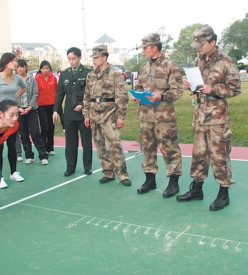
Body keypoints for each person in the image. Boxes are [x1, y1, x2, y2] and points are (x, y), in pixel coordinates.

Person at [176, 25, 241, 211]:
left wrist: (214, 89)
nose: (198, 46)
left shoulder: (226, 62)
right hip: (200, 113)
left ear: (213, 42)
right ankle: (197, 189)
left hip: (218, 115)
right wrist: (191, 85)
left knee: (219, 154)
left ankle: (224, 193)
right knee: (199, 153)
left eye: (201, 43)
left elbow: (235, 88)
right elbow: (197, 84)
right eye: (197, 43)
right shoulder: (198, 60)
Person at [132, 33, 183, 197]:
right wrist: (137, 95)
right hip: (146, 115)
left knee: (170, 149)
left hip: (164, 117)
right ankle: (150, 180)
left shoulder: (171, 66)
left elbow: (177, 91)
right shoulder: (144, 67)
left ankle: (173, 183)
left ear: (154, 47)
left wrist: (161, 96)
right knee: (147, 149)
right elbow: (140, 86)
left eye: (145, 47)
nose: (143, 50)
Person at [83, 45, 131, 186]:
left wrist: (120, 116)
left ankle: (122, 174)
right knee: (100, 145)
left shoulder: (115, 74)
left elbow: (122, 96)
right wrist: (86, 114)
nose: (94, 60)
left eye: (97, 57)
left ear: (105, 57)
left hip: (110, 113)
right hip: (94, 113)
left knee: (114, 145)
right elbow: (86, 96)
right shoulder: (90, 75)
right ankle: (108, 172)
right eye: (93, 57)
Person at [0, 52, 27, 188]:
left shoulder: (17, 78)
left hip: (12, 117)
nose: (15, 63)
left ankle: (14, 172)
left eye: (15, 60)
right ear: (5, 63)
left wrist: (15, 98)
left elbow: (24, 87)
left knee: (12, 144)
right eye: (12, 61)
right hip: (0, 118)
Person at [53, 47, 92, 176]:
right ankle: (70, 167)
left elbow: (91, 93)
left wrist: (82, 105)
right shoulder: (65, 74)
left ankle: (87, 167)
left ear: (80, 57)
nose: (72, 61)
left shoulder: (87, 73)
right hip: (69, 114)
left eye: (74, 58)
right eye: (69, 59)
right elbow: (60, 94)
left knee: (86, 142)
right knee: (70, 143)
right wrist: (55, 111)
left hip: (83, 114)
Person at [16, 59, 48, 165]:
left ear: (25, 67)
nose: (19, 69)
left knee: (35, 133)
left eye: (21, 66)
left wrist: (30, 107)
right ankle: (29, 155)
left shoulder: (32, 79)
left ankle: (43, 156)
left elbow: (35, 94)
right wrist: (19, 108)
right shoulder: (14, 80)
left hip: (31, 110)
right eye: (17, 67)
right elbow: (13, 96)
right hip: (19, 111)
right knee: (24, 134)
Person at [35, 60, 58, 156]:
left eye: (47, 68)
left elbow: (57, 91)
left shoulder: (54, 78)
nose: (45, 70)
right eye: (43, 68)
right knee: (44, 127)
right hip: (41, 106)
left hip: (52, 105)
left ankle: (50, 147)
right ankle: (43, 147)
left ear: (50, 69)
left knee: (51, 127)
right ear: (40, 69)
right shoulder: (36, 78)